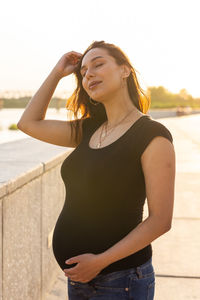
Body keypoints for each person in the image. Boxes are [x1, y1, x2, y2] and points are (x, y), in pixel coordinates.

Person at [17, 40, 176, 300]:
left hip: (121, 279)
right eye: (83, 72)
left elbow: (160, 221)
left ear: (125, 70)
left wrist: (101, 261)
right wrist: (58, 72)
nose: (88, 74)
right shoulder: (89, 129)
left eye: (98, 65)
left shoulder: (152, 136)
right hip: (80, 279)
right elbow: (28, 123)